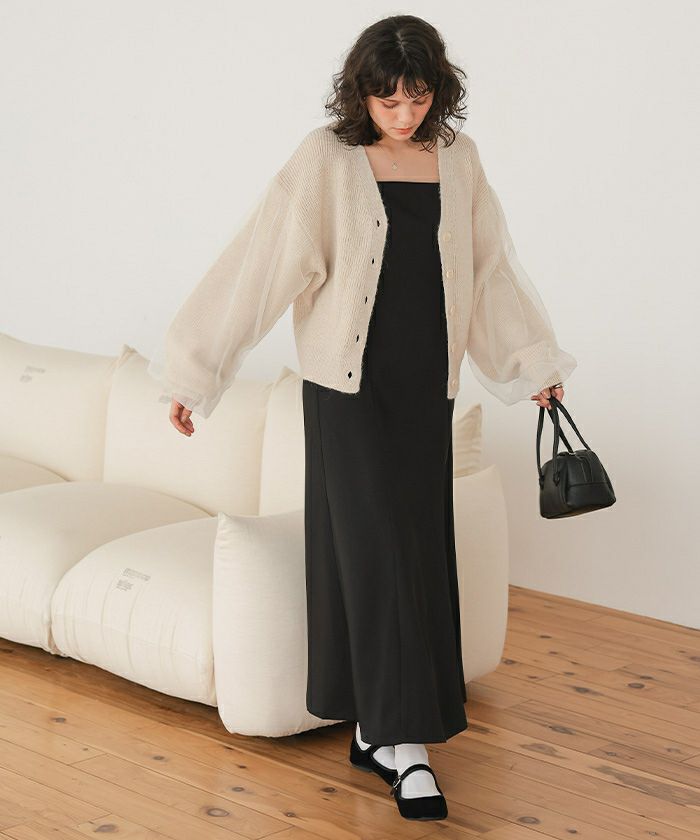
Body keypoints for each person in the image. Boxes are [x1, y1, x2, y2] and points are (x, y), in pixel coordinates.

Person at [148, 14, 576, 822]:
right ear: (362, 93)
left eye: (419, 97)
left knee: (408, 552)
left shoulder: (460, 160)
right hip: (348, 391)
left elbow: (490, 272)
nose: (405, 115)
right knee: (378, 551)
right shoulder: (326, 159)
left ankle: (375, 728)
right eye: (389, 100)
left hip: (426, 390)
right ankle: (401, 741)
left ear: (438, 91)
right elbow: (257, 264)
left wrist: (533, 367)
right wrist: (194, 373)